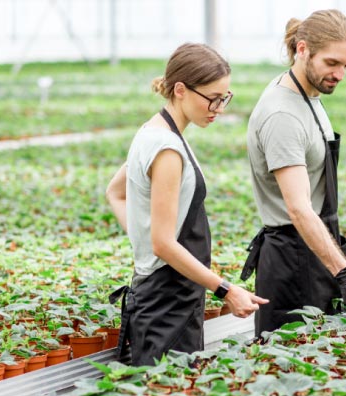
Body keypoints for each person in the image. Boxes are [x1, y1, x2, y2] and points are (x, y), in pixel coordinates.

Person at [105, 43, 268, 366]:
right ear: (180, 90)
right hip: (168, 302)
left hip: (163, 293)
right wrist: (225, 290)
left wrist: (146, 242)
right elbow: (164, 243)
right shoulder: (167, 149)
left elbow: (115, 193)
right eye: (212, 98)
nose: (219, 108)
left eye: (225, 98)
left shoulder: (152, 132)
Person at [241, 9, 346, 339]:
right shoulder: (283, 114)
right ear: (302, 50)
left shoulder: (310, 95)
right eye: (332, 63)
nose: (340, 74)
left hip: (313, 253)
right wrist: (344, 273)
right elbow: (299, 208)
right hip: (293, 264)